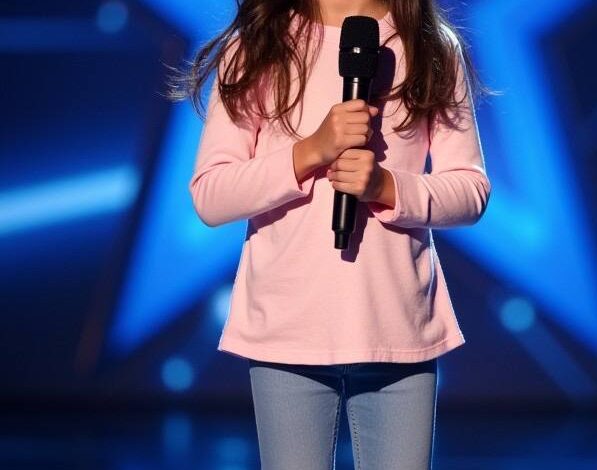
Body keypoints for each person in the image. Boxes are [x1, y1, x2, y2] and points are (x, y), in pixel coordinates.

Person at [169, 0, 492, 468]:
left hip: (396, 327)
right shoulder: (259, 46)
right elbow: (211, 194)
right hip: (288, 329)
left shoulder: (429, 47)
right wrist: (310, 151)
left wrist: (386, 187)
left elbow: (470, 189)